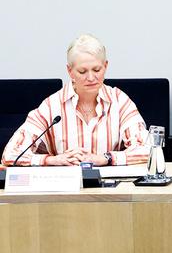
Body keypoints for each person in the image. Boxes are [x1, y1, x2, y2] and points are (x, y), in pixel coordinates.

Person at [1, 34, 149, 166]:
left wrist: (107, 158)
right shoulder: (52, 106)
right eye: (82, 71)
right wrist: (51, 160)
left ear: (106, 66)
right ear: (69, 71)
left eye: (97, 70)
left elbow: (147, 149)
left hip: (108, 191)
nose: (91, 78)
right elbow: (10, 155)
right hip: (63, 191)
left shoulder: (119, 101)